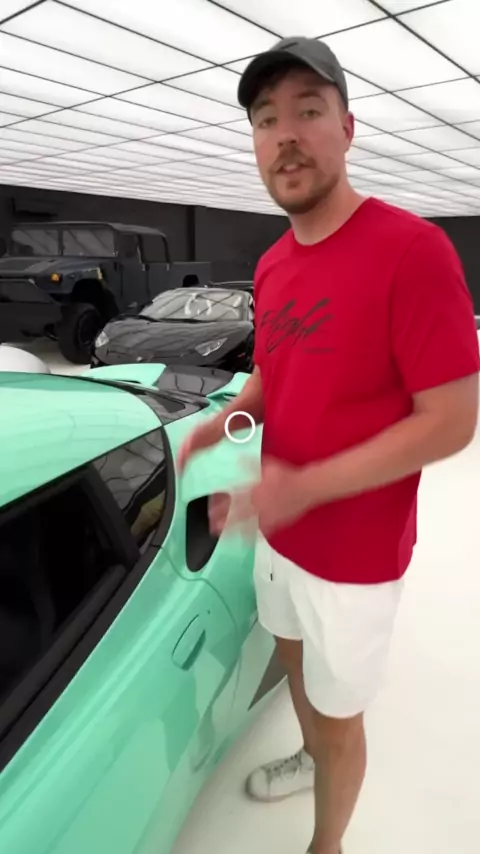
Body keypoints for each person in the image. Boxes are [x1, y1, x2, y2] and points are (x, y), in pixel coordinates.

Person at [177, 36, 480, 854]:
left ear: (346, 129)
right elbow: (273, 373)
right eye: (265, 119)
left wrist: (307, 486)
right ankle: (309, 758)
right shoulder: (273, 265)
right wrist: (226, 418)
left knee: (342, 713)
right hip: (279, 535)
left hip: (356, 558)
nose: (285, 135)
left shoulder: (412, 250)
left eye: (308, 111)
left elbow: (453, 418)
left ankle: (328, 845)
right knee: (294, 664)